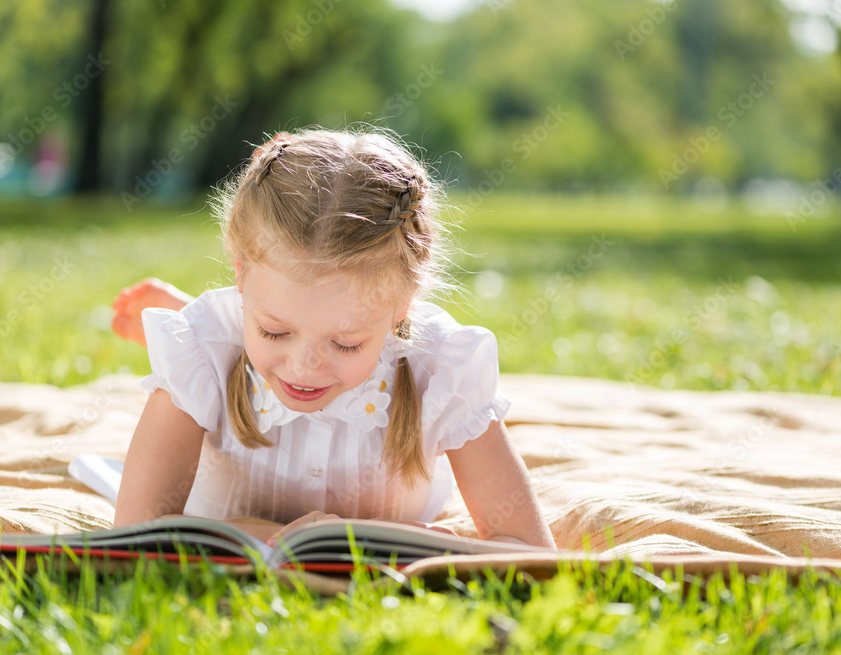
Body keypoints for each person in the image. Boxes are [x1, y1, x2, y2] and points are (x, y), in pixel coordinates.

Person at [112, 128, 555, 549]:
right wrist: (294, 537)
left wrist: (349, 536)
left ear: (403, 306)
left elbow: (529, 548)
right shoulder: (199, 350)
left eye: (345, 343)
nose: (305, 366)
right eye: (275, 330)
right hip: (217, 339)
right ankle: (198, 310)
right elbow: (136, 532)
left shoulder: (442, 367)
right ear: (240, 275)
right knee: (216, 338)